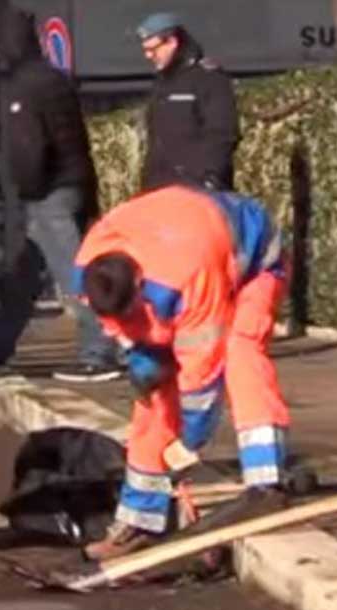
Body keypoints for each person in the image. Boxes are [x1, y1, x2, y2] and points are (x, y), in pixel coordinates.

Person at [72, 183, 291, 561]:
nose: (112, 329)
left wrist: (184, 447)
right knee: (153, 396)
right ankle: (140, 519)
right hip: (186, 244)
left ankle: (265, 482)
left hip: (254, 261)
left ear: (139, 288)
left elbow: (201, 384)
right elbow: (127, 332)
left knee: (241, 351)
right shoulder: (90, 265)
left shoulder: (191, 277)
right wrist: (142, 357)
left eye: (123, 318)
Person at [0, 6, 119, 383]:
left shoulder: (23, 86)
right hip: (71, 185)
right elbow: (77, 139)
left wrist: (26, 188)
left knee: (76, 275)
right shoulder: (54, 78)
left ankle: (100, 351)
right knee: (25, 272)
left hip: (48, 193)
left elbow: (28, 147)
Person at [136, 12, 240, 192]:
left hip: (198, 189)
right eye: (145, 50)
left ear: (172, 42)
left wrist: (209, 178)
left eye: (153, 49)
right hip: (160, 188)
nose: (148, 56)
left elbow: (222, 133)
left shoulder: (208, 78)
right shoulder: (162, 83)